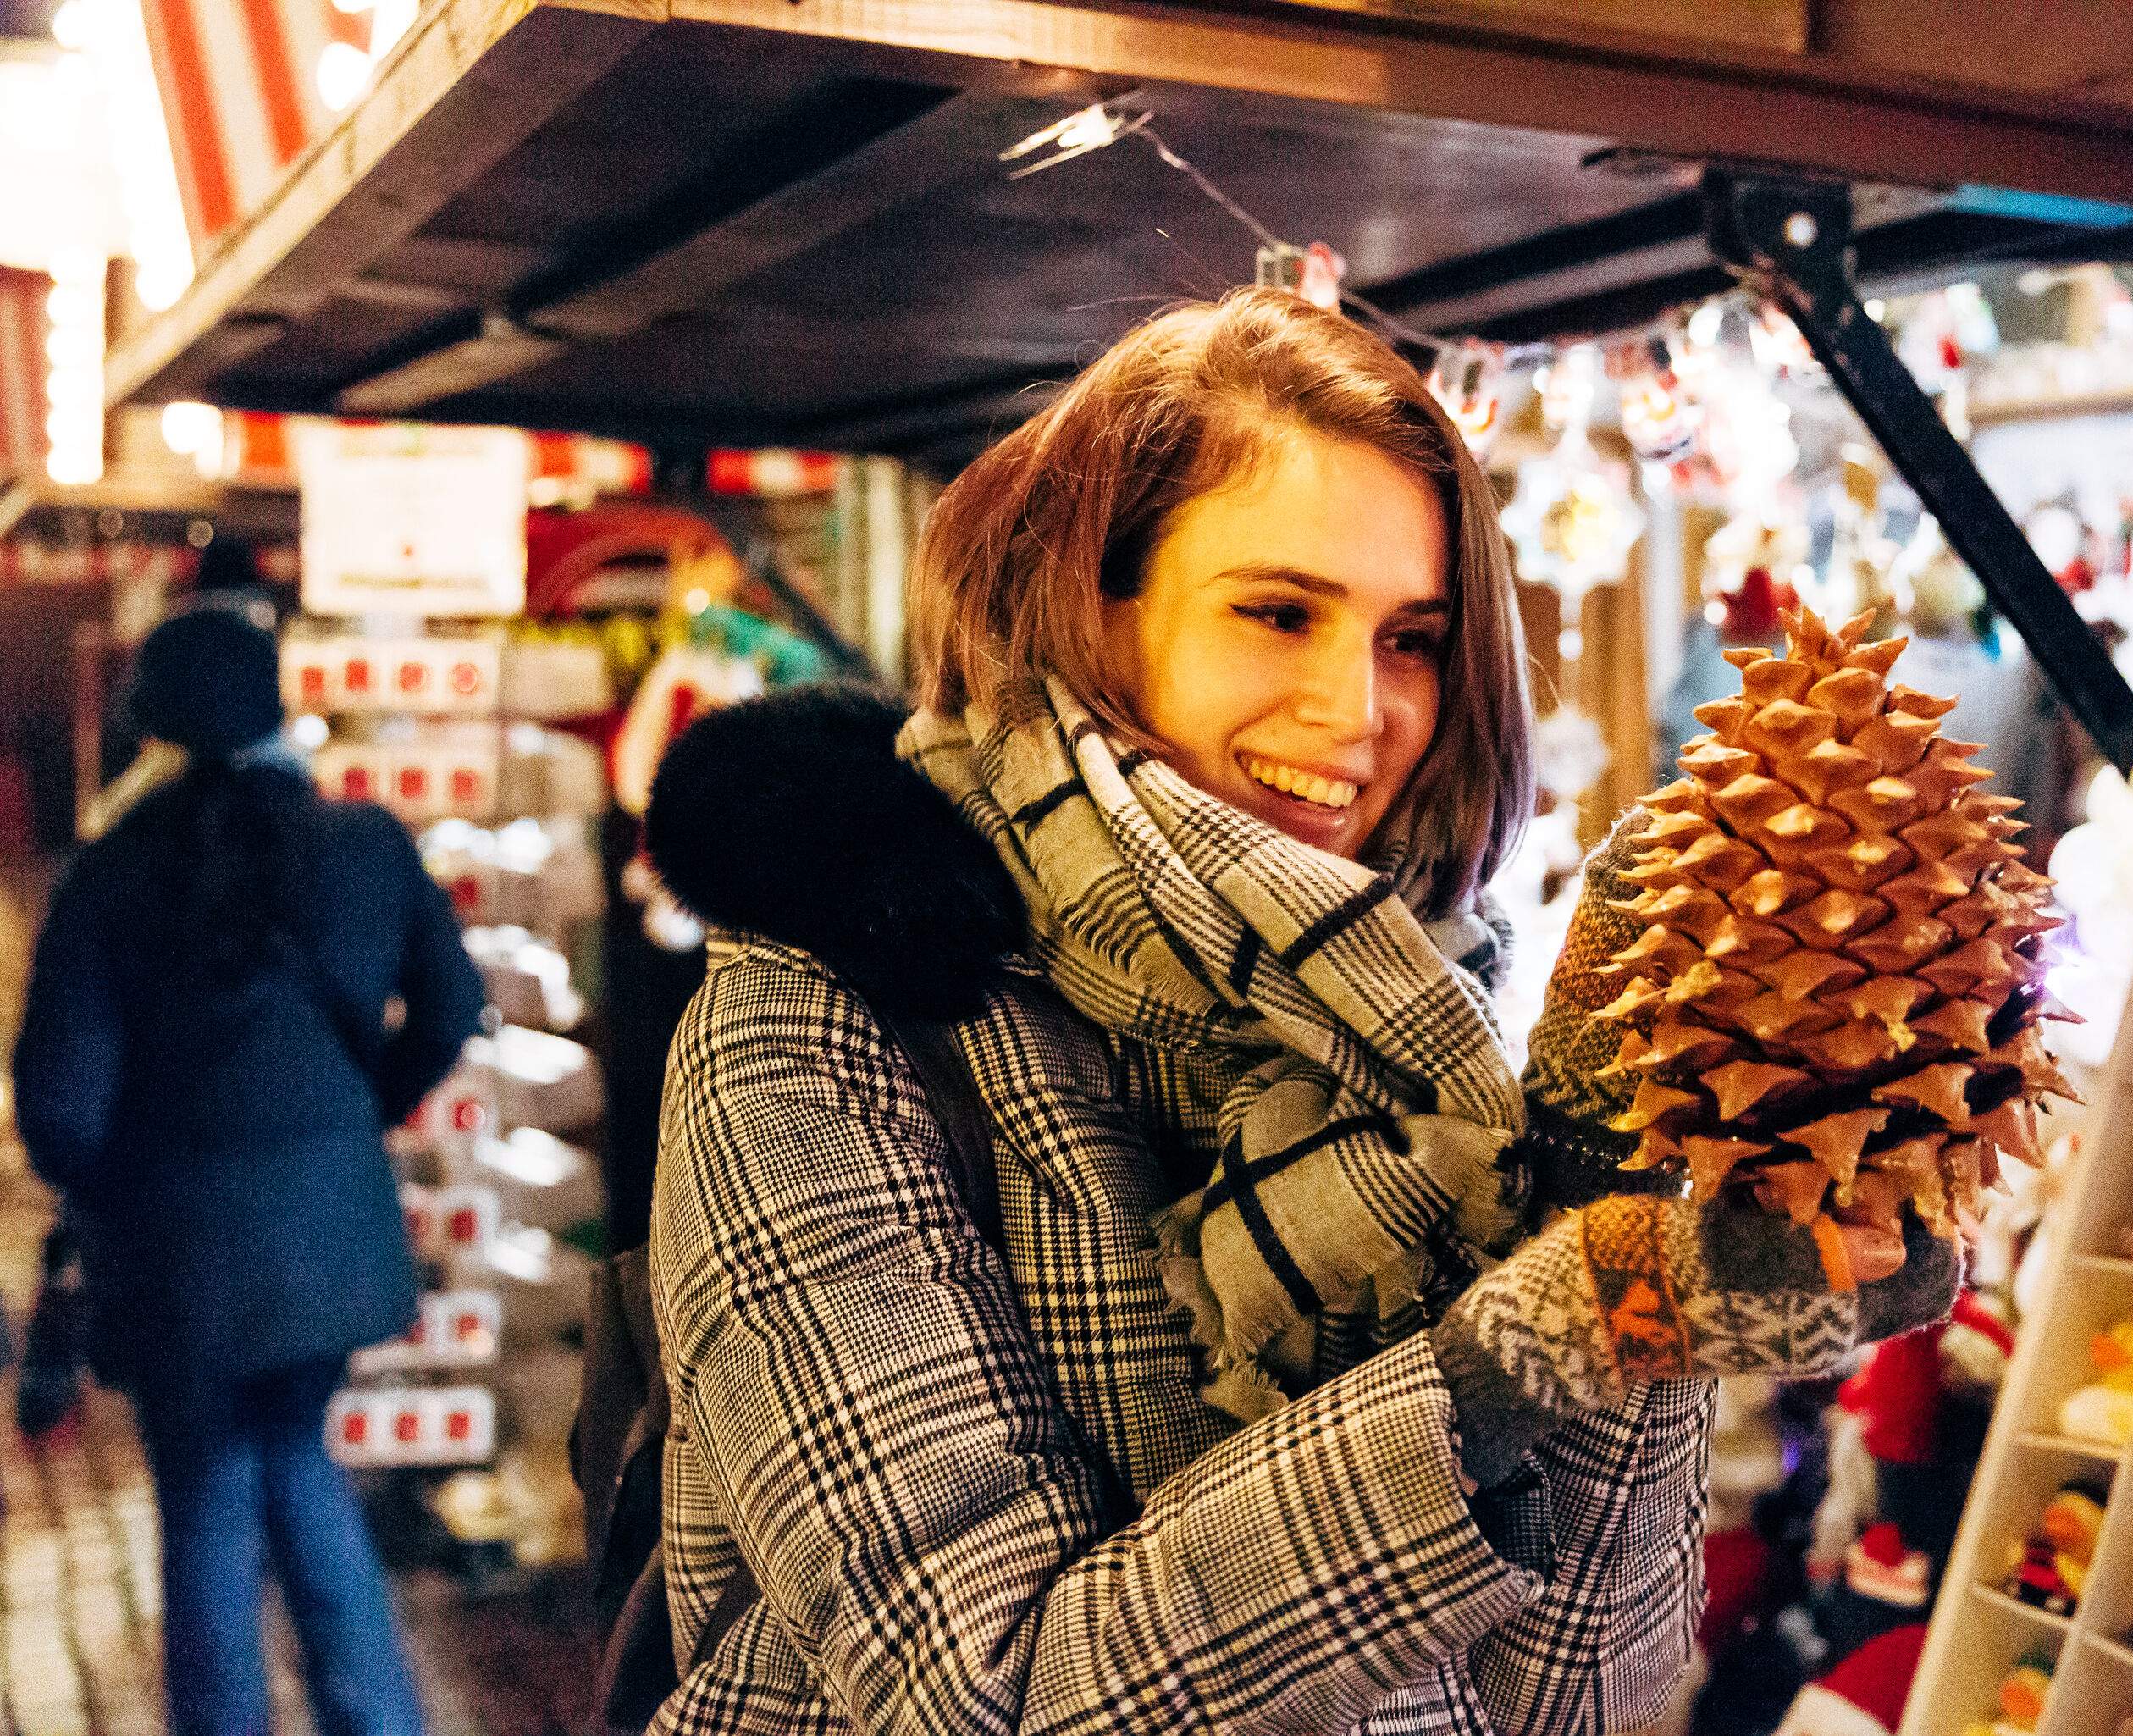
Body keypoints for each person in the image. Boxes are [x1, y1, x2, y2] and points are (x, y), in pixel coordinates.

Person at [640, 287, 1958, 1733]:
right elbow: (984, 1701)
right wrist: (1552, 1324)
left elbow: (1576, 1701)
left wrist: (1617, 1207)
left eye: (1413, 639)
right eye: (1279, 612)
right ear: (1096, 603)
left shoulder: (1430, 1035)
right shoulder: (825, 1023)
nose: (1358, 709)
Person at [14, 605, 484, 1736]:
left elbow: (62, 1107)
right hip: (330, 1245)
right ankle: (378, 1719)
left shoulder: (110, 878)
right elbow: (455, 1004)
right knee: (293, 1455)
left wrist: (109, 1187)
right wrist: (362, 1108)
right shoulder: (365, 843)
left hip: (177, 1258)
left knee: (209, 1494)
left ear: (151, 725)